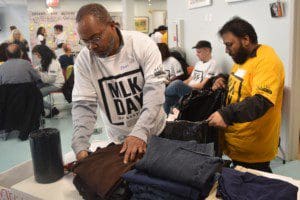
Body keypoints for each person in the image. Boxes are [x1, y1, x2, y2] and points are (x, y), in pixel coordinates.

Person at [72, 3, 166, 163]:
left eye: (96, 38)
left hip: (155, 132)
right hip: (119, 139)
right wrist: (80, 144)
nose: (91, 46)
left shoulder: (142, 44)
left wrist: (140, 131)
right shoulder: (84, 60)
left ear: (112, 26)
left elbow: (154, 92)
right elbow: (84, 105)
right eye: (85, 41)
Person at [207, 17, 285, 172]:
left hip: (254, 147)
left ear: (245, 40)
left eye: (229, 45)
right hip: (237, 143)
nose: (227, 50)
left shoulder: (267, 61)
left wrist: (226, 114)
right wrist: (222, 78)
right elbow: (242, 80)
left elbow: (261, 101)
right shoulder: (243, 57)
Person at [164, 40, 220, 114]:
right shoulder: (198, 64)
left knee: (176, 84)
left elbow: (202, 85)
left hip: (199, 94)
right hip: (190, 90)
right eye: (196, 52)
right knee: (168, 98)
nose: (196, 54)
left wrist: (179, 85)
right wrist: (178, 85)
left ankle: (161, 92)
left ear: (207, 51)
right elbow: (189, 80)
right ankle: (167, 121)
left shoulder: (213, 64)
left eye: (199, 52)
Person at [32, 45, 65, 118]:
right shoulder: (46, 60)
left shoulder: (53, 63)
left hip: (55, 84)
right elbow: (40, 67)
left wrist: (39, 73)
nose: (37, 56)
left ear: (42, 52)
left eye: (37, 54)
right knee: (32, 91)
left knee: (36, 96)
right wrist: (35, 69)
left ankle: (52, 109)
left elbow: (50, 79)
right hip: (48, 83)